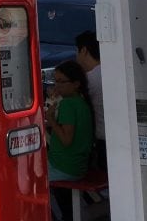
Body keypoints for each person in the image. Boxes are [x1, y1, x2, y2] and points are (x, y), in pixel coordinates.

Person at [46, 59, 94, 221]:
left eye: (61, 82)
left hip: (64, 168)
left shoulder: (67, 105)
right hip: (77, 166)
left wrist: (51, 120)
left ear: (75, 84)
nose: (57, 86)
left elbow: (66, 139)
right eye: (56, 81)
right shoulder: (81, 103)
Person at [75, 30, 106, 171]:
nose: (76, 57)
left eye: (77, 51)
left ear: (84, 51)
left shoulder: (89, 80)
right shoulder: (110, 71)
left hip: (101, 141)